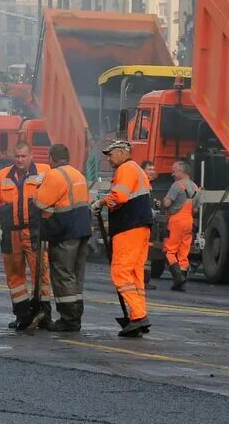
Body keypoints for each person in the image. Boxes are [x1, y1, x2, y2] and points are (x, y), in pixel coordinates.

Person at [0, 140, 52, 330]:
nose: (20, 159)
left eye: (24, 156)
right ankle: (22, 316)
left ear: (31, 156)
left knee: (41, 273)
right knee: (14, 277)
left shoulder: (44, 171)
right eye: (17, 156)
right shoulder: (3, 175)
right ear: (12, 156)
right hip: (10, 234)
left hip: (35, 232)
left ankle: (44, 315)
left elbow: (54, 198)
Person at [93, 140, 152, 337]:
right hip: (140, 227)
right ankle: (137, 314)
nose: (108, 159)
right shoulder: (137, 170)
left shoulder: (126, 168)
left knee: (120, 272)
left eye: (111, 154)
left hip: (128, 227)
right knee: (135, 275)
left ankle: (139, 315)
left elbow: (119, 197)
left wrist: (101, 202)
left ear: (122, 152)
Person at [34, 143, 91, 331]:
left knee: (63, 275)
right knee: (76, 276)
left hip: (65, 232)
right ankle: (76, 316)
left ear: (51, 158)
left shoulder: (54, 175)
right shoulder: (78, 174)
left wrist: (40, 185)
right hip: (83, 230)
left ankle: (68, 319)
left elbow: (40, 202)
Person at [162, 160, 198, 291]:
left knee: (169, 251)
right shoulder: (195, 187)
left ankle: (178, 277)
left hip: (176, 221)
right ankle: (181, 282)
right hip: (189, 221)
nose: (172, 174)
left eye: (174, 171)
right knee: (183, 252)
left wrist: (162, 202)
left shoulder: (177, 185)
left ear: (182, 171)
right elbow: (196, 209)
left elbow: (166, 204)